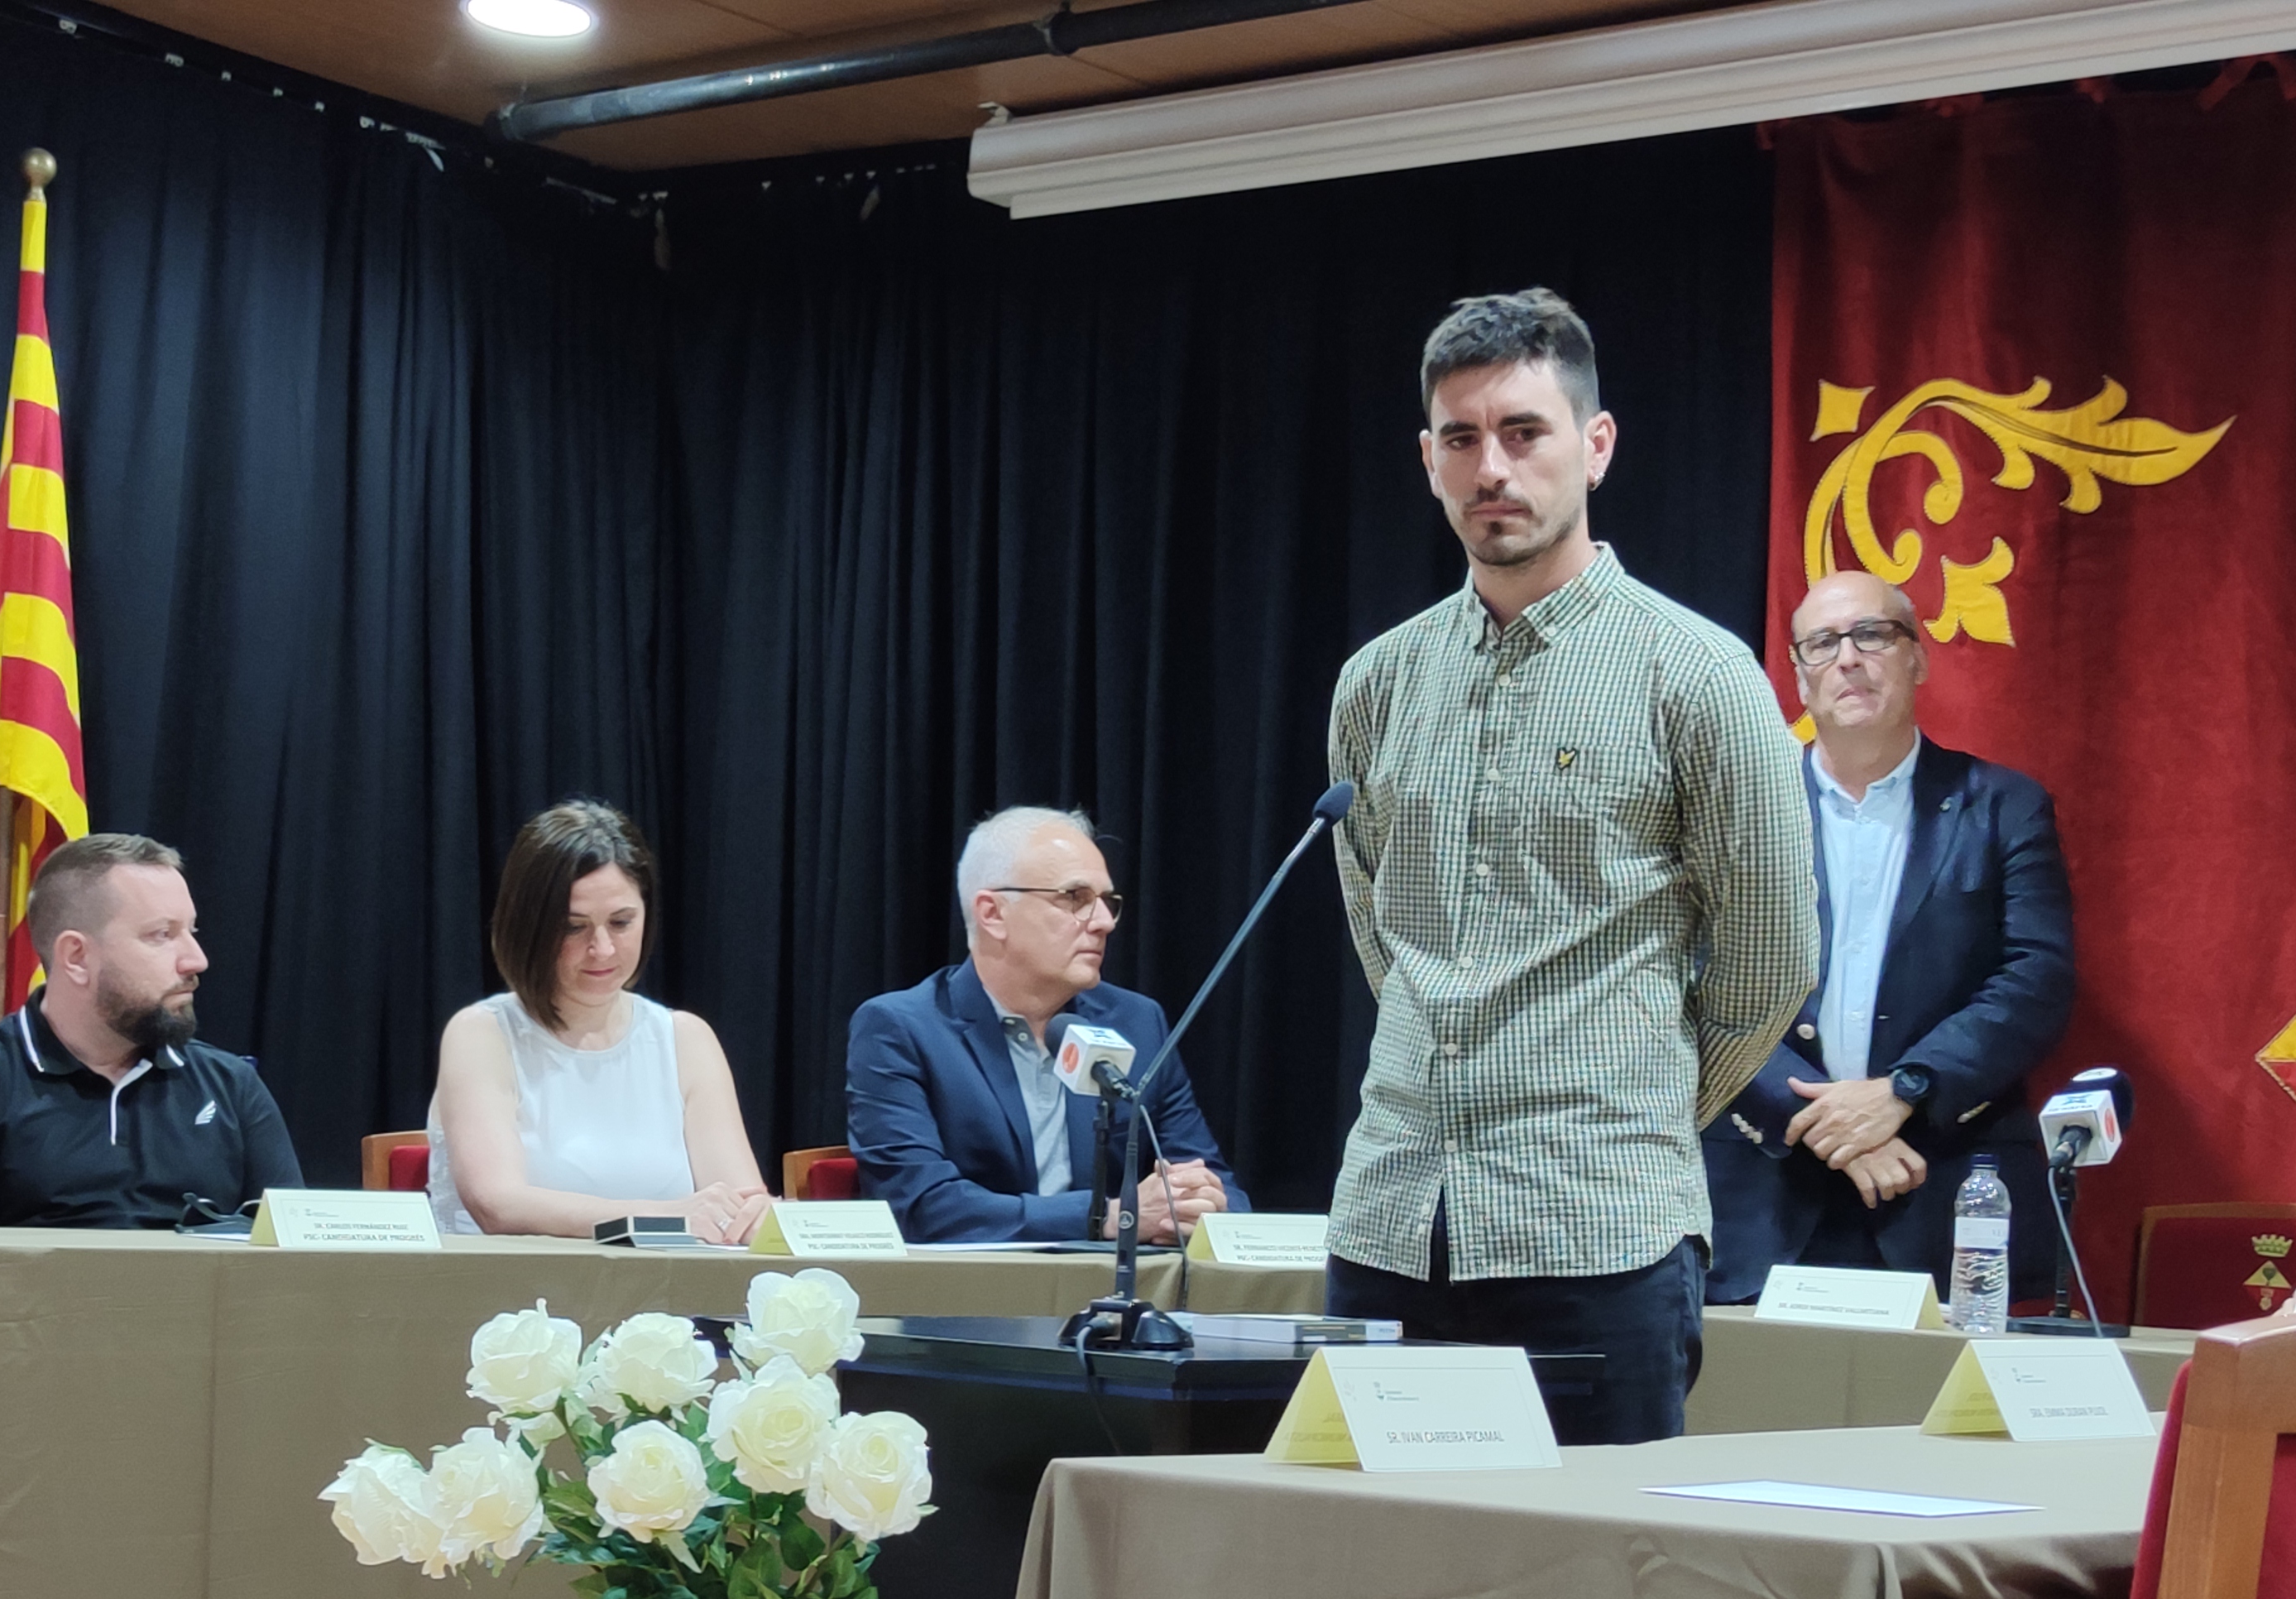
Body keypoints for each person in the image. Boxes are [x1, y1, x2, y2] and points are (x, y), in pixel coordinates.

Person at [1321, 290, 1814, 1444]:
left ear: (1595, 446)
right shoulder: (1377, 682)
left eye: (1524, 433)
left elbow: (1770, 960)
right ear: (1429, 460)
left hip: (1597, 1236)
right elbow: (1377, 926)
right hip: (1392, 1225)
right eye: (1461, 438)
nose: (1491, 467)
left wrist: (1627, 1110)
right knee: (1367, 1593)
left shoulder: (1697, 673)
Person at [1703, 572, 2077, 1304]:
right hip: (1762, 1192)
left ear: (1918, 658)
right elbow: (1696, 981)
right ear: (1800, 676)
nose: (1848, 658)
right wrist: (1827, 1120)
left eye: (1872, 634)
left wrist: (1905, 1093)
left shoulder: (2005, 807)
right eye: (1823, 643)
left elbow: (2037, 981)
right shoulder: (1736, 810)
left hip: (1939, 1184)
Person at [844, 805, 1242, 1245]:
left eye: (1108, 902)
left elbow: (1216, 1183)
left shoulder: (1137, 1021)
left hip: (1113, 1300)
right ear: (993, 913)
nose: (1105, 922)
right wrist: (1107, 1217)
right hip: (967, 1303)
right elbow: (922, 1208)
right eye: (1075, 898)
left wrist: (1201, 1201)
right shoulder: (900, 1029)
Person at [0, 832, 303, 1229]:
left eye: (191, 932)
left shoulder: (232, 1085)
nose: (196, 960)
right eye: (162, 935)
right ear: (76, 957)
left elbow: (298, 1262)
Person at [424, 801, 768, 1241]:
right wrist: (665, 1217)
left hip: (667, 1303)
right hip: (516, 1302)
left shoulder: (686, 1038)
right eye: (573, 927)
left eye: (621, 922)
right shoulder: (482, 1033)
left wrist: (753, 1216)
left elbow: (737, 1202)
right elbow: (499, 1205)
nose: (602, 949)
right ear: (527, 927)